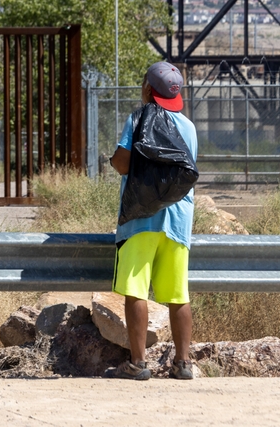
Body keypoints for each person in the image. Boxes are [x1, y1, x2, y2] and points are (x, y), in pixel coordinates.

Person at [107, 61, 197, 381]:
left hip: (140, 218)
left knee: (136, 291)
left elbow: (122, 164)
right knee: (178, 294)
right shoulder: (189, 127)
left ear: (148, 88)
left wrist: (113, 159)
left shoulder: (138, 118)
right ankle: (183, 364)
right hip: (178, 219)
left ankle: (138, 363)